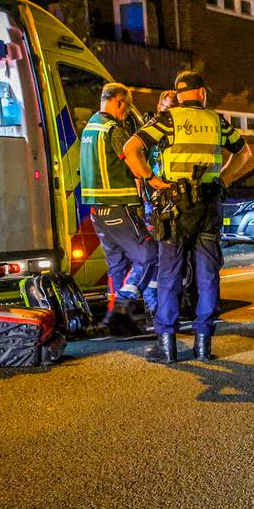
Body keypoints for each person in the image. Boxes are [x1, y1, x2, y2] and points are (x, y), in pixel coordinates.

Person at [123, 71, 250, 363]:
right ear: (202, 93)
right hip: (208, 206)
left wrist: (151, 179)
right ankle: (203, 344)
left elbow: (131, 149)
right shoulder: (216, 120)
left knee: (170, 275)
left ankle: (167, 346)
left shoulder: (168, 119)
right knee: (207, 275)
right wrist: (224, 178)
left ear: (178, 95)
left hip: (175, 208)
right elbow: (244, 153)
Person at [78, 83, 156, 334]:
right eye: (127, 107)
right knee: (149, 255)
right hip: (119, 207)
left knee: (117, 264)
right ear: (119, 102)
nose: (125, 113)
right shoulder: (113, 129)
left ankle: (117, 324)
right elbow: (135, 165)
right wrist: (153, 179)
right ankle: (120, 308)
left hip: (97, 212)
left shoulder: (90, 127)